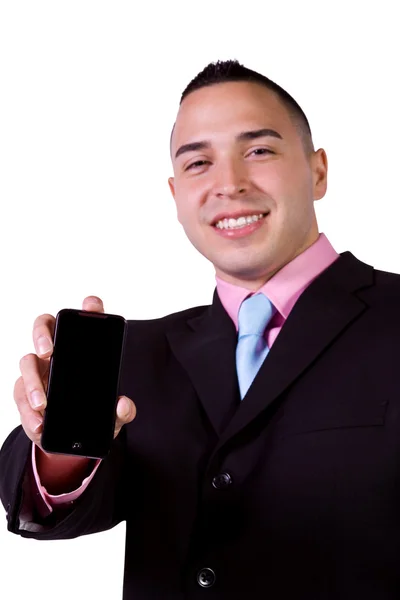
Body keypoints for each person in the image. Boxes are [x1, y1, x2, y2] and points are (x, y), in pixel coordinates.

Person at [0, 58, 398, 599]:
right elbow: (57, 516)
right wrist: (60, 440)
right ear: (174, 196)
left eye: (258, 150)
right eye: (198, 164)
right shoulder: (138, 354)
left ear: (319, 170)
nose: (228, 184)